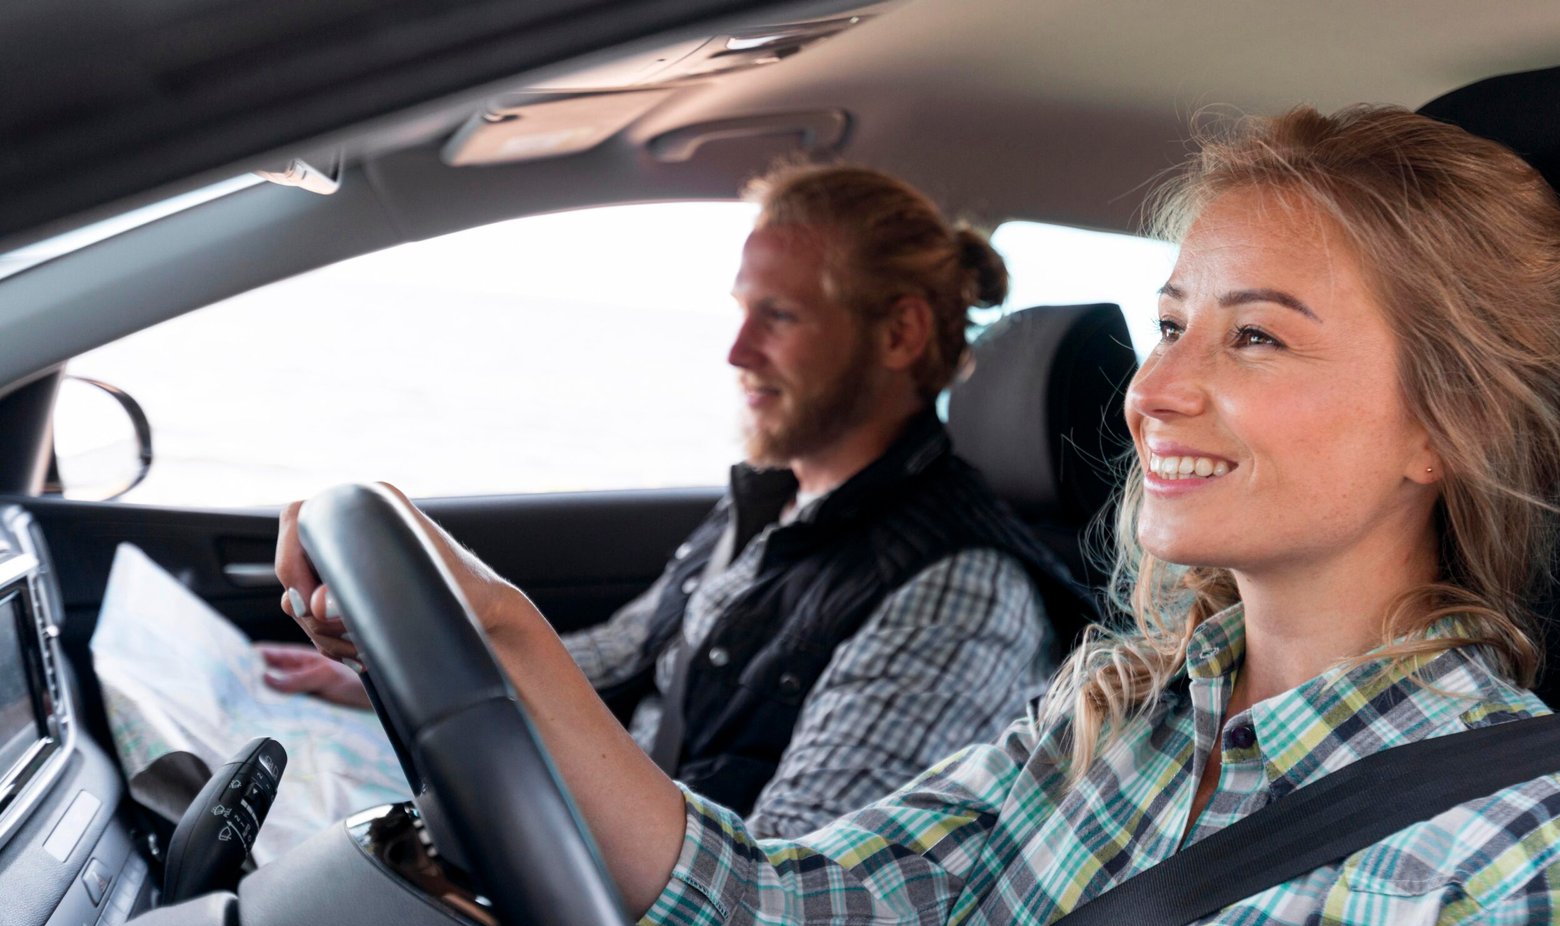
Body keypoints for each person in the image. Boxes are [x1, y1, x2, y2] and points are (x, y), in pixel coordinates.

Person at [280, 105, 1560, 926]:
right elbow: (772, 912)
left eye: (1255, 334)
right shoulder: (1110, 716)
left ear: (1447, 423)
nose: (1153, 390)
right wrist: (494, 625)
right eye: (1168, 324)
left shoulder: (1540, 860)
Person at [270, 161, 1095, 839]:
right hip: (599, 846)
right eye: (743, 310)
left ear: (898, 334)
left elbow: (781, 896)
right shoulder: (775, 501)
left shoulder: (959, 594)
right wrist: (394, 668)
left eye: (778, 315)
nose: (737, 350)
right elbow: (622, 651)